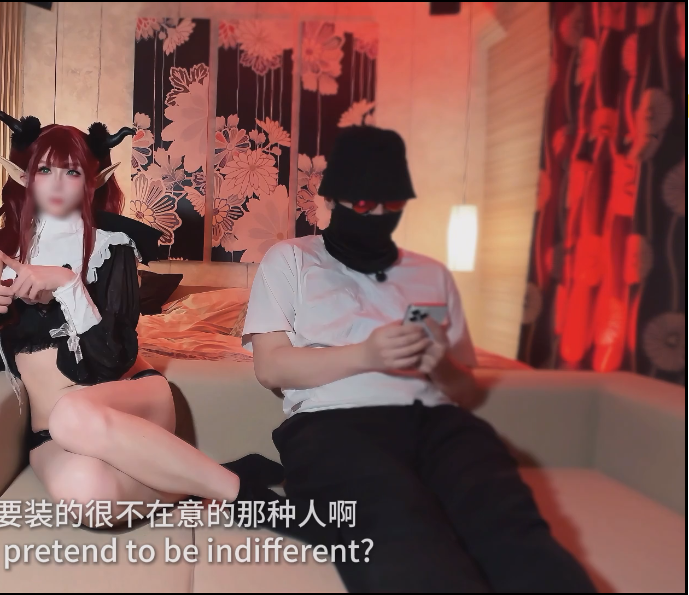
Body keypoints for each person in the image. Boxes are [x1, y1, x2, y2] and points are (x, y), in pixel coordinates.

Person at [242, 126, 597, 592]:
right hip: (332, 426)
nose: (378, 215)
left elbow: (465, 389)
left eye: (392, 205)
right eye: (364, 205)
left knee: (514, 531)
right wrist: (367, 354)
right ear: (332, 199)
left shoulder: (432, 274)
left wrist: (440, 364)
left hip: (438, 424)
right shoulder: (290, 259)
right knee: (401, 540)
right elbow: (270, 367)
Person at [0, 111, 277, 525]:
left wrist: (68, 285)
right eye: (44, 170)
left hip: (130, 400)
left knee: (71, 412)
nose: (56, 183)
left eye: (71, 172)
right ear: (25, 176)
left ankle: (246, 497)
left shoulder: (112, 245)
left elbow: (113, 359)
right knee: (90, 499)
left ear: (93, 181)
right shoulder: (1, 249)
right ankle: (211, 478)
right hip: (51, 432)